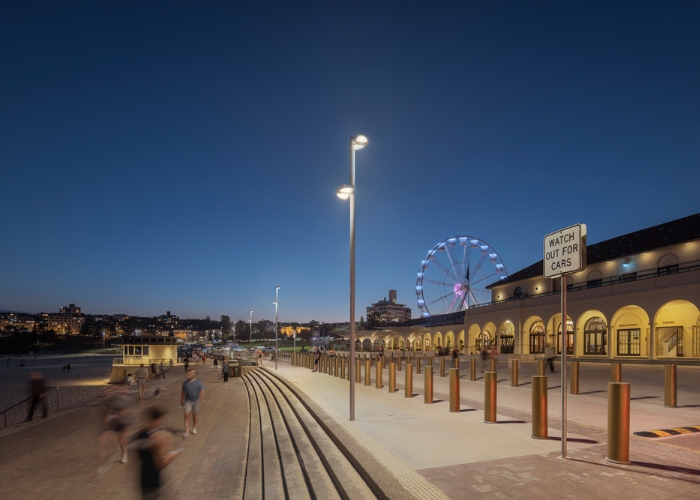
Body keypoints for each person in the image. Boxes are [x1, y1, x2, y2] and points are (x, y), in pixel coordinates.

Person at [137, 406, 180, 499]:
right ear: (157, 419)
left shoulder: (140, 434)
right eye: (162, 420)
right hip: (154, 480)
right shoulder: (156, 438)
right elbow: (160, 464)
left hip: (143, 478)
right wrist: (173, 455)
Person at [99, 390, 134, 468]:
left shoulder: (126, 401)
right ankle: (122, 451)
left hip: (125, 423)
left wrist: (111, 416)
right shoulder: (113, 401)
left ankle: (124, 454)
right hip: (116, 424)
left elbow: (124, 412)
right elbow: (107, 410)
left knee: (121, 440)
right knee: (118, 440)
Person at [181, 369, 204, 437]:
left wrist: (200, 398)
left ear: (194, 374)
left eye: (190, 374)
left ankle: (194, 428)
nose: (189, 375)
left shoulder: (198, 382)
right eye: (188, 374)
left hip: (196, 401)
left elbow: (202, 391)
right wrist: (182, 399)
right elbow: (183, 392)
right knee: (187, 415)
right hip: (188, 401)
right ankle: (186, 431)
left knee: (195, 415)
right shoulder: (185, 383)